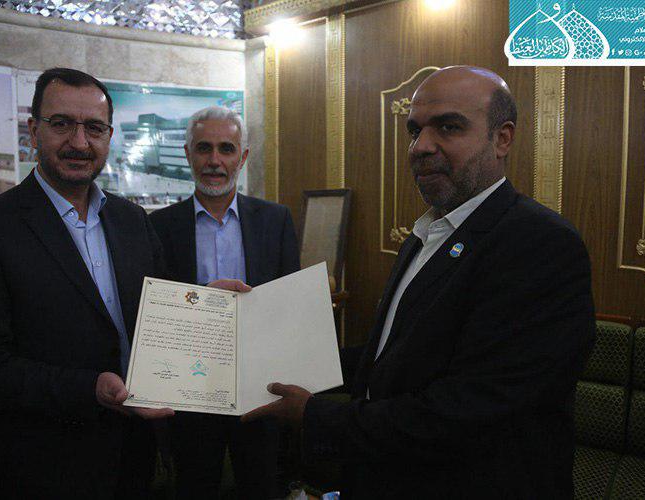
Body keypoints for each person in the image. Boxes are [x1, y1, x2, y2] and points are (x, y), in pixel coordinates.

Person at [242, 66, 596, 498]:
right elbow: (393, 357)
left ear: (502, 139)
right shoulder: (426, 235)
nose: (421, 146)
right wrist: (273, 352)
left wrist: (314, 416)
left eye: (448, 127)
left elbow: (472, 410)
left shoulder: (540, 243)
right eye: (415, 130)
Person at [0, 67, 174, 498]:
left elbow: (159, 314)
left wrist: (206, 305)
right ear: (34, 131)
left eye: (94, 128)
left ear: (109, 135)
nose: (79, 142)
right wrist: (91, 389)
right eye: (62, 124)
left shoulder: (133, 221)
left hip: (135, 458)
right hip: (42, 470)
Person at [149, 105, 300, 499]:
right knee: (194, 485)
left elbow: (290, 307)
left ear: (242, 157)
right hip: (190, 386)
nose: (214, 161)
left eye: (226, 149)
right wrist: (200, 301)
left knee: (261, 484)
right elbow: (152, 311)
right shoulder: (157, 227)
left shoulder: (276, 220)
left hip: (259, 385)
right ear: (188, 155)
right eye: (204, 148)